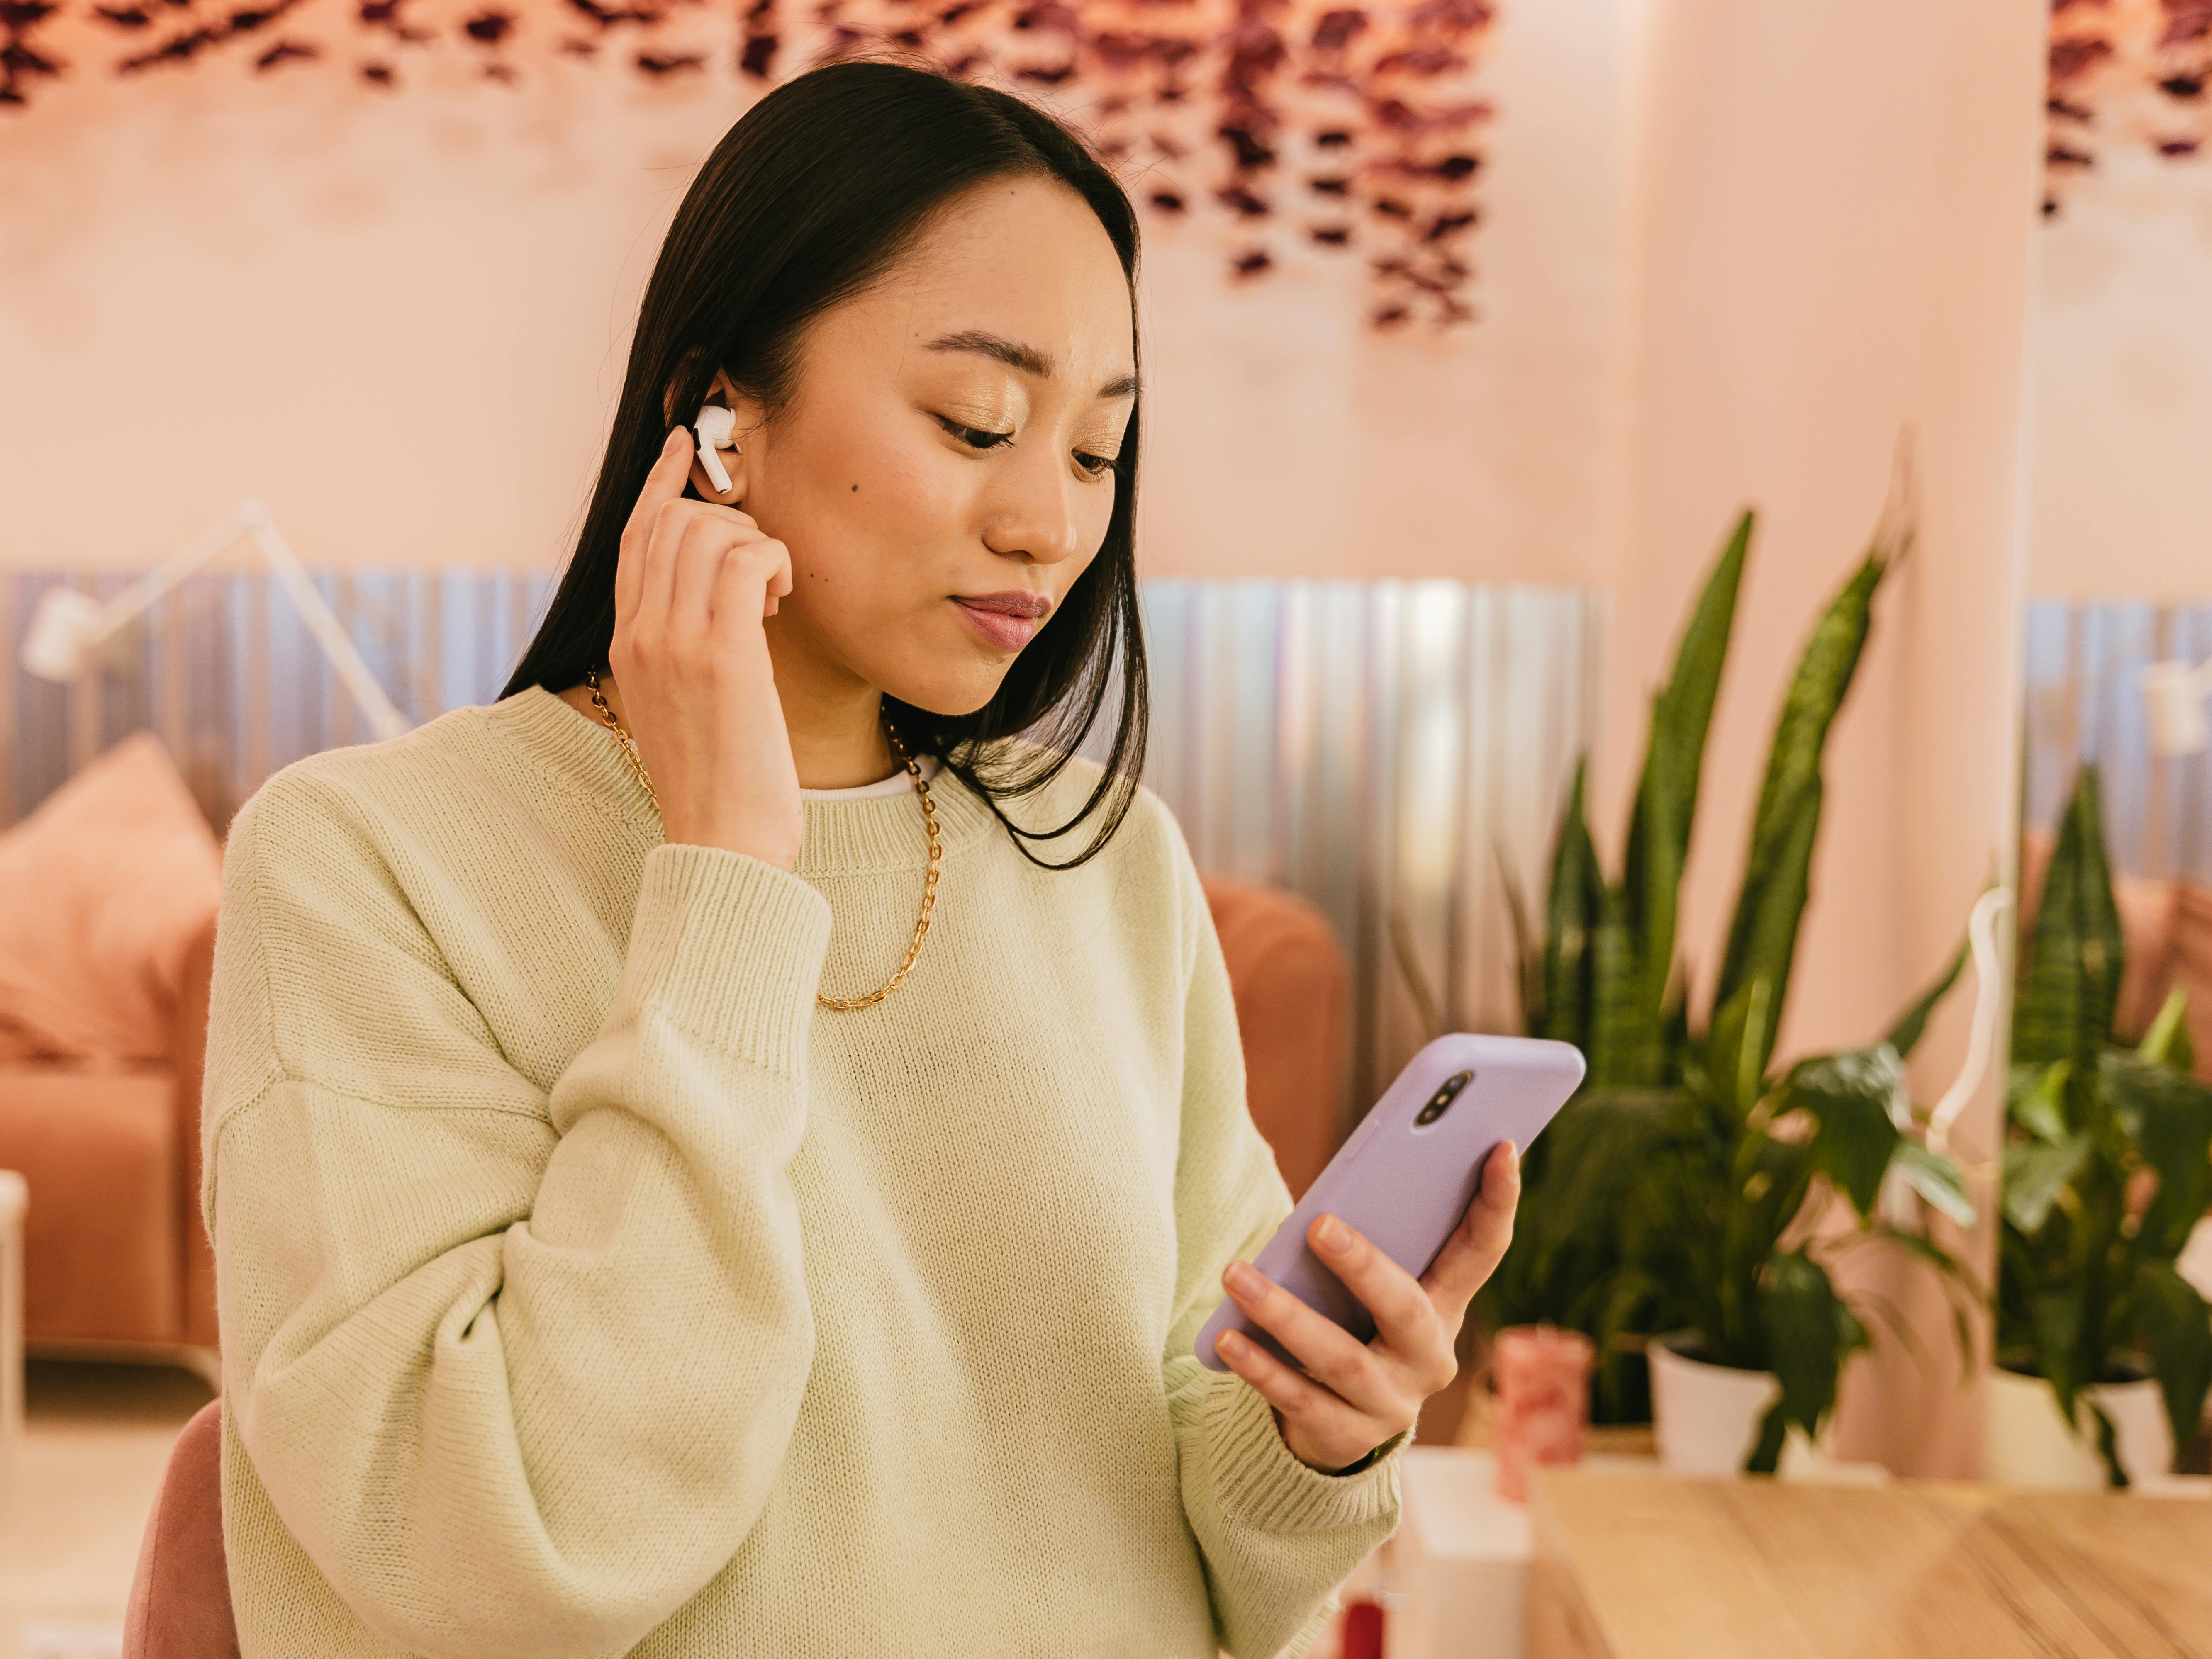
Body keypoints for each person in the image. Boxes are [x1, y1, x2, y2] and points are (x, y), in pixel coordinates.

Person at [201, 57, 1518, 1659]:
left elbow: (1196, 1509)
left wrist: (1318, 1434)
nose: (1049, 518)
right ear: (720, 416)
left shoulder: (1108, 868)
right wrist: (732, 878)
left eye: (1099, 452)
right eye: (977, 421)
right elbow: (499, 1550)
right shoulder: (367, 863)